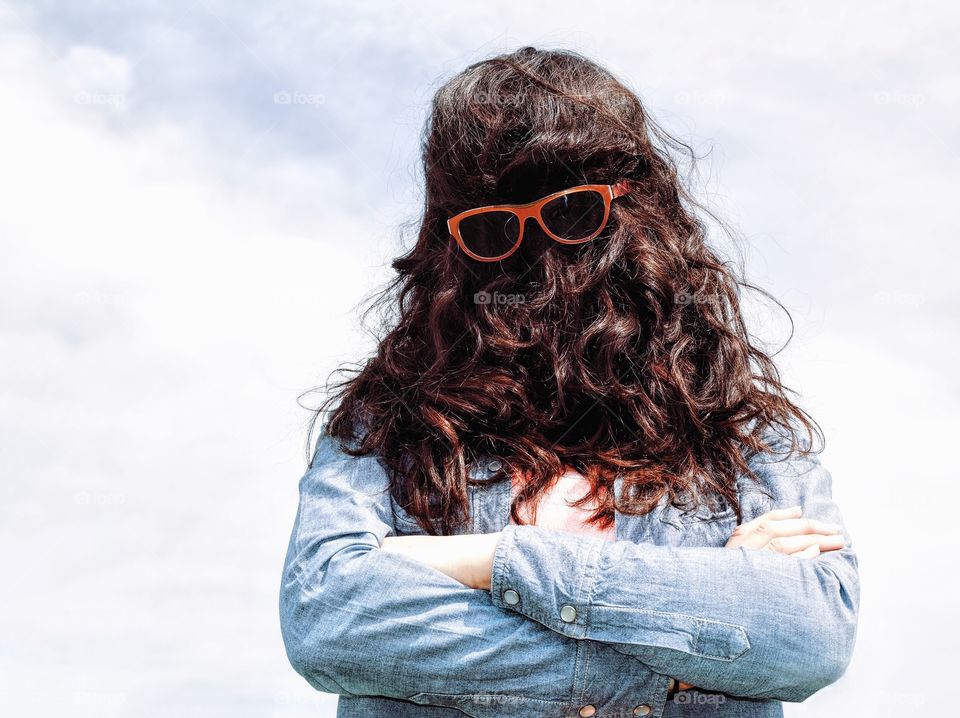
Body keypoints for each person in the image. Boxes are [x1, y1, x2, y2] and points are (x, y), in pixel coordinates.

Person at [279, 46, 860, 718]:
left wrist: (494, 561)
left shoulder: (737, 428)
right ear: (450, 245)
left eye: (574, 213)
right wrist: (675, 652)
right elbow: (327, 616)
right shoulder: (387, 426)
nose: (542, 261)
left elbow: (810, 634)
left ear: (638, 211)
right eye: (493, 229)